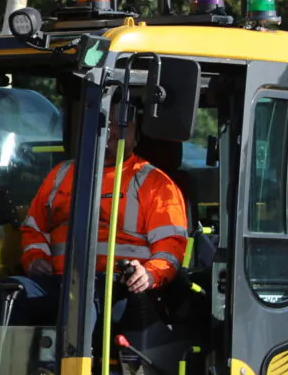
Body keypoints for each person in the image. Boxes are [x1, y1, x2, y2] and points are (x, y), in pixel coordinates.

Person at [17, 112, 190, 309]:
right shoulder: (60, 175)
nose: (112, 131)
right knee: (5, 295)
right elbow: (33, 229)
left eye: (123, 124)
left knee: (80, 308)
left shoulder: (156, 184)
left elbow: (171, 245)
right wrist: (35, 259)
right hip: (58, 281)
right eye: (106, 122)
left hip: (116, 288)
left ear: (136, 138)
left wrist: (149, 274)